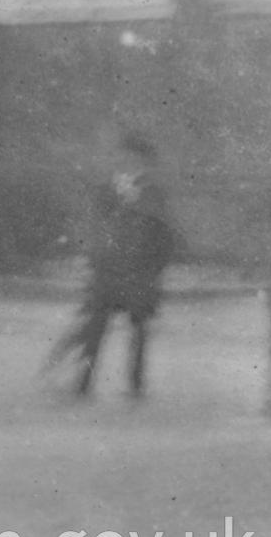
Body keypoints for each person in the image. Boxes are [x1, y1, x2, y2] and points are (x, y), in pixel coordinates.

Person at [41, 132, 179, 400]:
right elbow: (96, 228)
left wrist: (152, 270)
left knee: (138, 332)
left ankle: (135, 385)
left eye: (132, 158)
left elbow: (164, 235)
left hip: (140, 273)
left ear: (144, 161)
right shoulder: (106, 189)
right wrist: (95, 259)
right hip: (108, 271)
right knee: (95, 330)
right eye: (122, 156)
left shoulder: (154, 193)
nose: (125, 162)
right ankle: (83, 384)